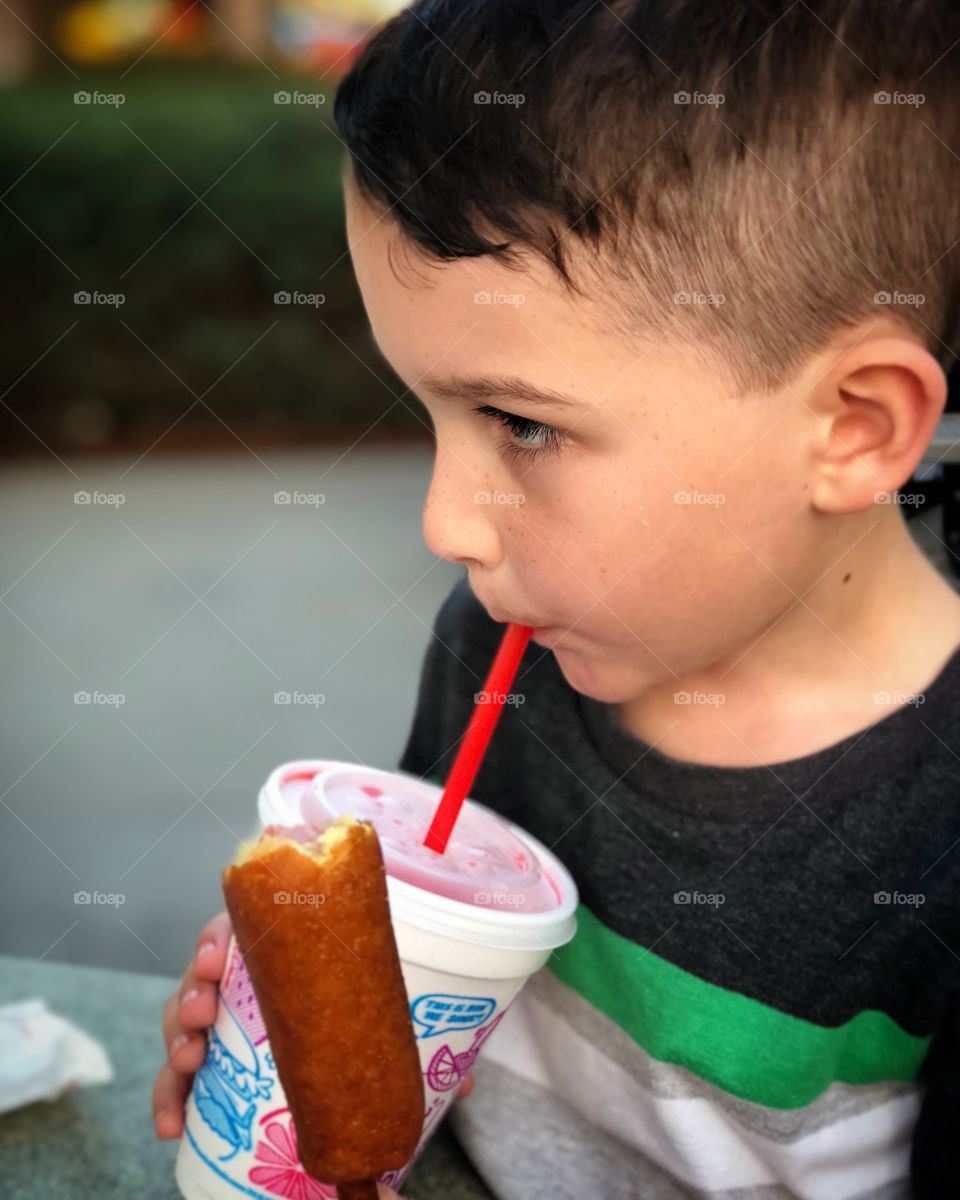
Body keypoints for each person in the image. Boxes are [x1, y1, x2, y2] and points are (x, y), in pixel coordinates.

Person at [155, 1, 960, 1195]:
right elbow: (417, 997)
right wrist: (298, 1043)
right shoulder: (498, 649)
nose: (443, 524)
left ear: (850, 428)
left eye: (522, 423)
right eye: (425, 410)